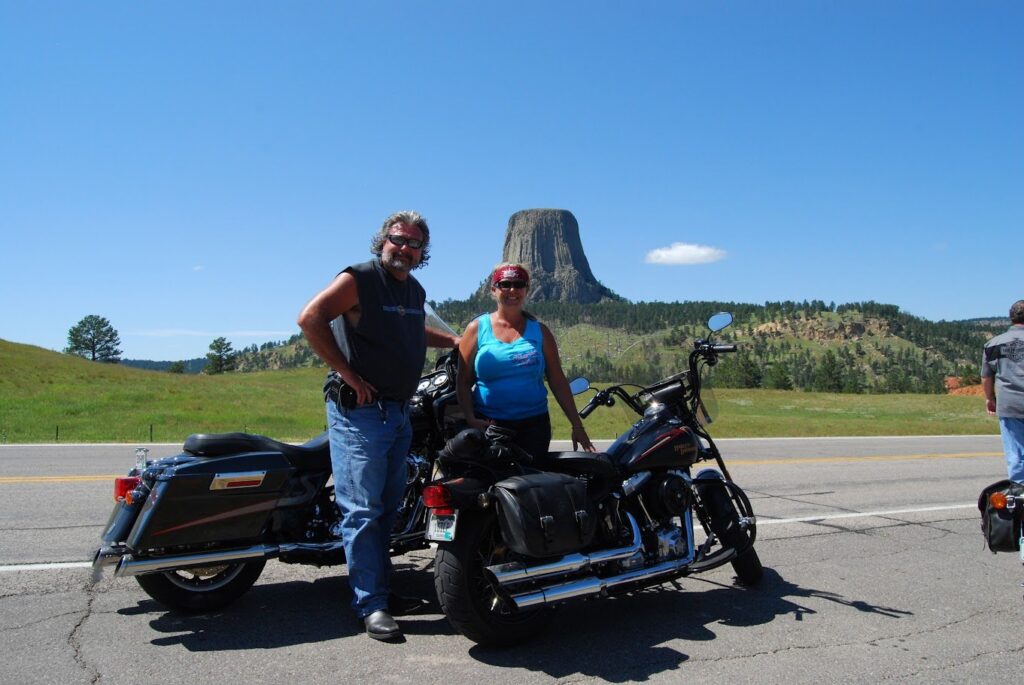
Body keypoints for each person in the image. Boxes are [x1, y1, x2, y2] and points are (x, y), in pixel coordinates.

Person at [297, 210, 459, 641]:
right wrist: (348, 374)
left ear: (422, 253)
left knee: (388, 507)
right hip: (360, 414)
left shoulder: (414, 289)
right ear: (382, 240)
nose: (403, 249)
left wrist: (460, 341)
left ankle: (382, 591)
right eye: (397, 239)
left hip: (398, 412)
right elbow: (310, 318)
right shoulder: (359, 278)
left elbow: (414, 330)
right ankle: (371, 605)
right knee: (364, 510)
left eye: (413, 244)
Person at [456, 263, 595, 460]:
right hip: (490, 425)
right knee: (491, 485)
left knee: (530, 484)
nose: (512, 290)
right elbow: (463, 381)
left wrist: (577, 425)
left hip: (533, 427)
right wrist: (470, 418)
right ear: (493, 289)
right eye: (505, 284)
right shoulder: (476, 329)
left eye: (519, 284)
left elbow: (557, 380)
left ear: (526, 290)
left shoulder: (540, 332)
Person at [982, 300, 1024, 482]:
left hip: (1009, 404)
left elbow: (986, 377)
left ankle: (1019, 498)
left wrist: (990, 398)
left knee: (1015, 454)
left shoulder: (993, 344)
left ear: (1011, 317)